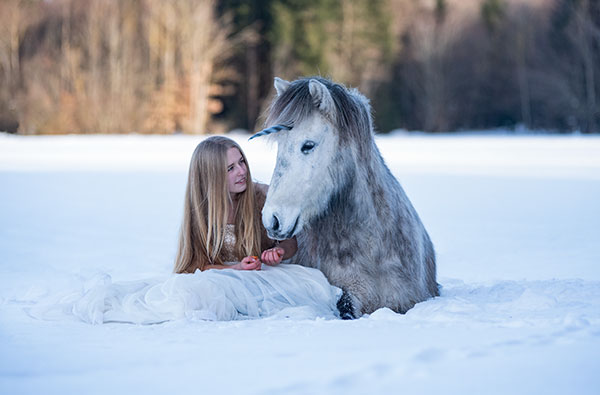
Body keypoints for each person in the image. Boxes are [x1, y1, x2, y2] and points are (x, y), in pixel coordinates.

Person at [173, 136, 297, 273]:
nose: (242, 171)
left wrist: (280, 251)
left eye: (241, 162)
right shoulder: (200, 210)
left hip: (260, 277)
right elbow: (195, 266)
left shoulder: (262, 197)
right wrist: (235, 268)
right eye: (230, 168)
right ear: (211, 177)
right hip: (218, 281)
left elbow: (291, 241)